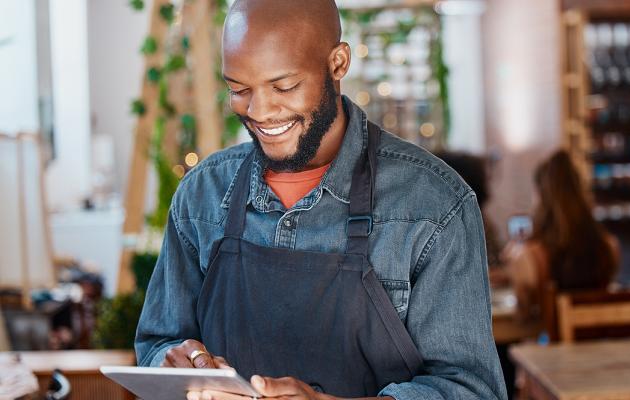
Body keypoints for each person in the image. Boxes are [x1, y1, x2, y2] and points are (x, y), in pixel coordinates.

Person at [134, 1, 507, 399]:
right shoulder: (201, 196)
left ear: (338, 63)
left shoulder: (434, 206)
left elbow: (472, 390)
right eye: (239, 89)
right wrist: (178, 365)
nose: (259, 112)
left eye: (284, 86)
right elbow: (158, 344)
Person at [500, 150, 620, 325]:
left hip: (551, 350)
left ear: (541, 196)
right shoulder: (610, 247)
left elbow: (522, 318)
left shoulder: (529, 257)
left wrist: (514, 269)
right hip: (600, 347)